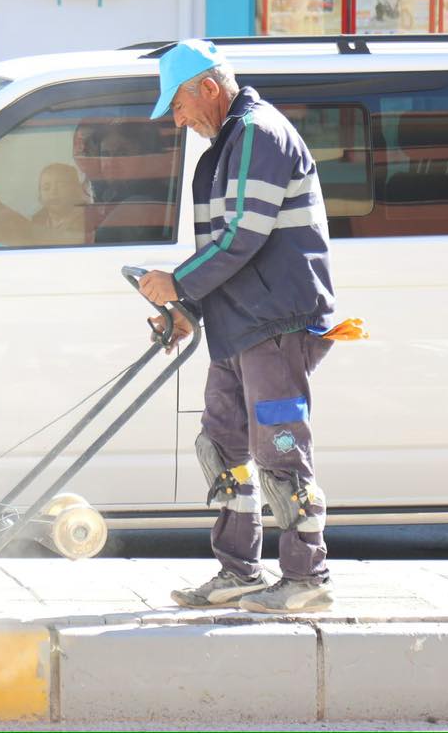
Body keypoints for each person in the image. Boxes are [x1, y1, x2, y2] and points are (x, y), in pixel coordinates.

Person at [138, 38, 338, 614]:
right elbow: (220, 252)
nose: (178, 122)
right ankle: (239, 571)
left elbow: (243, 236)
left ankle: (307, 577)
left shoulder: (257, 134)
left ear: (208, 86)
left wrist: (177, 284)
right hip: (239, 323)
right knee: (222, 444)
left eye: (177, 107)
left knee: (279, 447)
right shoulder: (220, 153)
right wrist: (186, 310)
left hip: (277, 322)